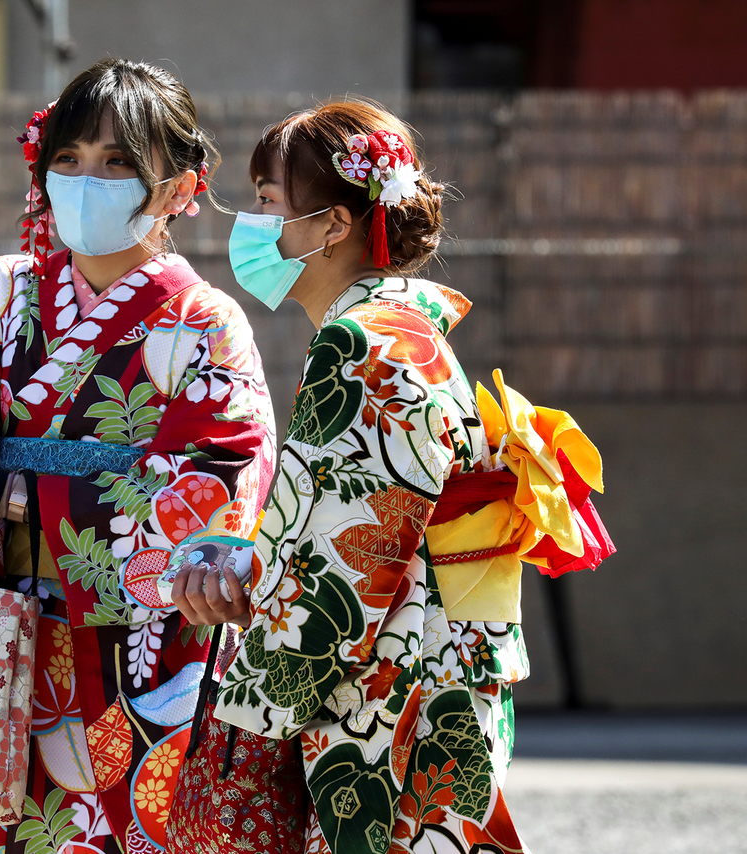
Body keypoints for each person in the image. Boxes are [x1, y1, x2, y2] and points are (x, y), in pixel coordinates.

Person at [0, 59, 276, 854]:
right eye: (71, 160)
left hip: (125, 651)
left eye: (120, 163)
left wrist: (10, 493)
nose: (90, 180)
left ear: (182, 187)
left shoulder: (204, 323)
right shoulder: (0, 292)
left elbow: (214, 485)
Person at [168, 101, 612, 854]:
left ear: (334, 226)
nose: (255, 222)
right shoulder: (405, 330)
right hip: (436, 665)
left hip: (392, 694)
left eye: (270, 203)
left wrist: (248, 715)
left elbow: (349, 567)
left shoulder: (356, 342)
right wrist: (256, 562)